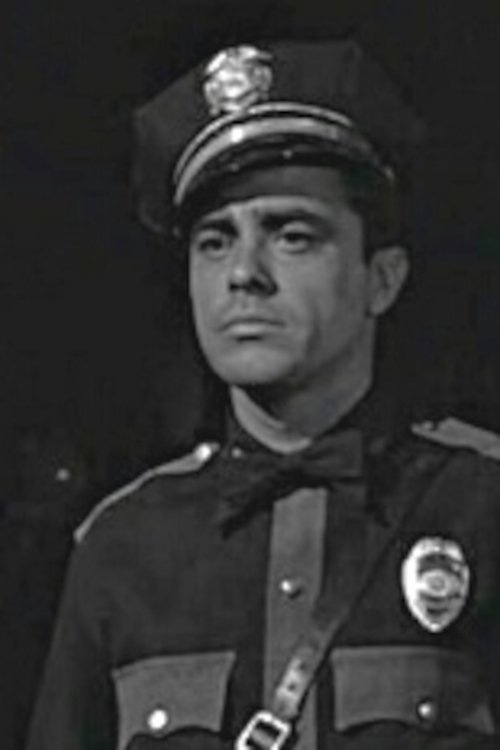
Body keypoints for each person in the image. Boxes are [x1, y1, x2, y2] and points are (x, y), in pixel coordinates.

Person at [27, 38, 500, 750]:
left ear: (382, 279)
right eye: (214, 241)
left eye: (292, 235)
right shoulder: (121, 546)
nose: (243, 272)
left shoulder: (481, 506)